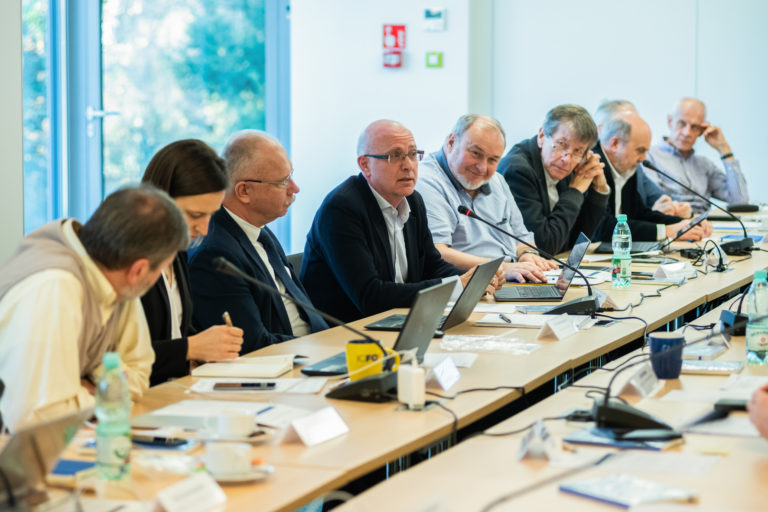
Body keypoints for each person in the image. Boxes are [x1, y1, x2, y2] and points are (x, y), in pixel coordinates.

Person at [0, 186, 188, 431]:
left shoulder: (116, 278)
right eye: (162, 268)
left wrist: (86, 386)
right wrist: (107, 389)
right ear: (139, 270)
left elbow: (140, 372)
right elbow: (38, 417)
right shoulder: (55, 287)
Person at [301, 119, 499, 323]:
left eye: (413, 154)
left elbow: (432, 266)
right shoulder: (342, 208)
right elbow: (371, 296)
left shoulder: (413, 200)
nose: (408, 166)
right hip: (349, 330)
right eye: (395, 156)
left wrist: (473, 280)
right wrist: (457, 286)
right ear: (365, 165)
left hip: (400, 320)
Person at [188, 130, 329, 355]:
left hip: (316, 349)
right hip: (284, 363)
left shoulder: (259, 229)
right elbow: (251, 345)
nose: (295, 188)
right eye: (283, 182)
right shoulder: (215, 255)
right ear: (244, 191)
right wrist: (320, 349)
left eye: (291, 176)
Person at [140, 140, 244, 386]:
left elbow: (178, 330)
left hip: (178, 389)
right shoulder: (128, 262)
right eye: (196, 215)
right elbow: (118, 357)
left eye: (211, 215)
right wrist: (191, 348)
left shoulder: (177, 250)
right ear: (160, 200)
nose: (204, 229)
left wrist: (205, 352)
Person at [415, 114, 555, 283]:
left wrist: (527, 254)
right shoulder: (427, 181)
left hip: (509, 277)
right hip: (472, 283)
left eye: (493, 160)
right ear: (451, 142)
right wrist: (502, 268)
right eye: (476, 153)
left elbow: (521, 236)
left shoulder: (497, 180)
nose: (482, 167)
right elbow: (438, 253)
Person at [498, 104, 610, 255]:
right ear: (542, 136)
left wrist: (600, 190)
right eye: (561, 144)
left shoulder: (566, 167)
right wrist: (575, 192)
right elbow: (543, 247)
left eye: (578, 151)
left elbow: (577, 242)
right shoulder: (517, 171)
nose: (566, 159)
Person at [592, 111, 710, 242]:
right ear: (615, 144)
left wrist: (685, 223)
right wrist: (667, 231)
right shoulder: (592, 166)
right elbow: (601, 228)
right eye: (640, 150)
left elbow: (639, 214)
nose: (643, 158)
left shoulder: (625, 166)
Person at [647, 97, 748, 213]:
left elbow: (740, 201)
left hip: (707, 222)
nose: (687, 133)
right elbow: (656, 204)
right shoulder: (649, 158)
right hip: (675, 221)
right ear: (670, 121)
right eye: (682, 123)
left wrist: (724, 150)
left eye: (695, 127)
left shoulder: (705, 165)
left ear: (701, 131)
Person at [594, 100, 692, 218]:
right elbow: (605, 224)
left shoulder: (630, 167)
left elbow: (659, 199)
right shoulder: (594, 165)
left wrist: (679, 209)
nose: (643, 158)